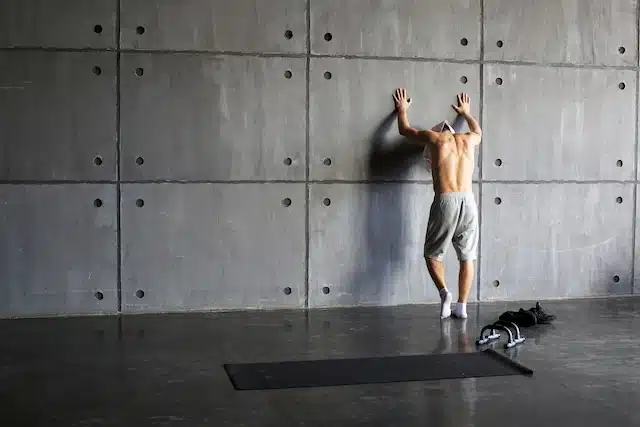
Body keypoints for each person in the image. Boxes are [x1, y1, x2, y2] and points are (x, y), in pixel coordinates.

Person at [392, 89, 482, 319]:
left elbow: (405, 130)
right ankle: (462, 306)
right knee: (467, 256)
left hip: (446, 199)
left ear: (438, 130)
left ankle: (444, 293)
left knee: (432, 254)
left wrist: (402, 110)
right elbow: (478, 131)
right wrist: (466, 113)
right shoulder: (468, 140)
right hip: (469, 201)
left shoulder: (435, 138)